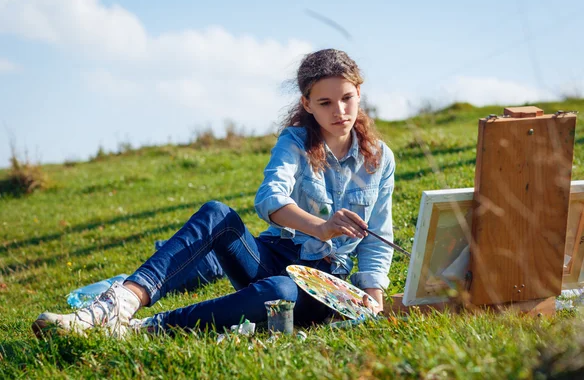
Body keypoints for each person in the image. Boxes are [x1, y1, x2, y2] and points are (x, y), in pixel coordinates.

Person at [32, 48, 396, 338]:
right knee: (218, 214)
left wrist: (373, 299)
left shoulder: (380, 159)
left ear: (359, 93)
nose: (340, 111)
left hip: (322, 284)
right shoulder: (295, 141)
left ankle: (144, 328)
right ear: (306, 104)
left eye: (347, 98)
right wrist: (319, 226)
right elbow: (270, 197)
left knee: (280, 296)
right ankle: (114, 306)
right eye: (325, 103)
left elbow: (379, 239)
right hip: (272, 255)